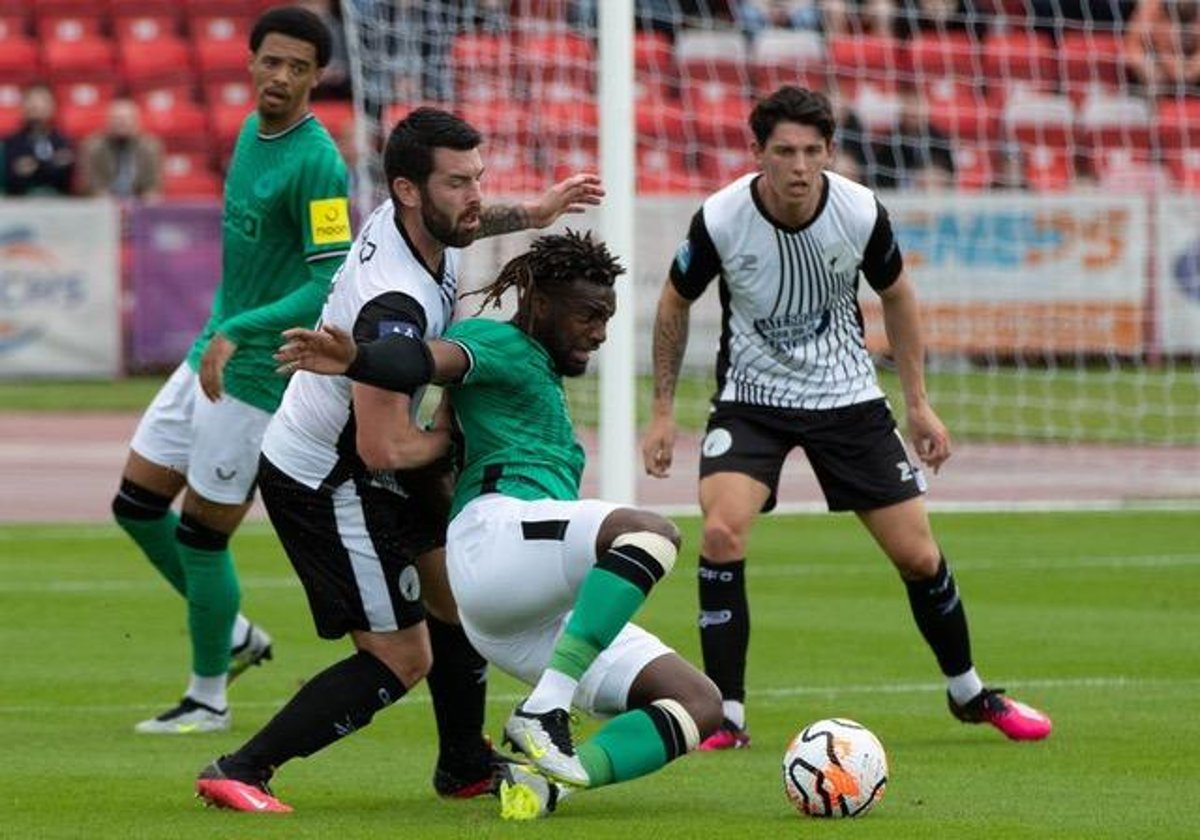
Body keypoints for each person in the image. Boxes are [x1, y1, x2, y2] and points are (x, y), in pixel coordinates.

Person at [193, 110, 607, 812]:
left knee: (456, 595)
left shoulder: (410, 218)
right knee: (400, 656)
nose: (474, 195)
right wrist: (461, 442)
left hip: (363, 465)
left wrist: (532, 212)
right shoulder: (396, 301)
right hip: (327, 476)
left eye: (478, 177)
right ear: (410, 191)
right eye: (458, 183)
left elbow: (467, 221)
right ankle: (242, 768)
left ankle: (464, 765)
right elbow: (381, 446)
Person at [639, 85, 1053, 751]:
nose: (799, 166)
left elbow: (898, 295)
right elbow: (673, 300)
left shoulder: (859, 211)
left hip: (848, 398)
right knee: (720, 531)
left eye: (811, 151)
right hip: (753, 400)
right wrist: (661, 412)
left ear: (830, 152)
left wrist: (918, 403)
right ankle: (728, 716)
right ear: (758, 155)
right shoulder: (721, 219)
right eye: (783, 152)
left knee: (919, 555)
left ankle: (969, 691)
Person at [268, 230, 724, 820]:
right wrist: (356, 358)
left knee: (698, 702)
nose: (600, 332)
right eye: (589, 315)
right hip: (496, 539)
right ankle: (545, 709)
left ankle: (547, 785)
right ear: (537, 303)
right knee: (650, 534)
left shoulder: (540, 379)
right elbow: (427, 357)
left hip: (532, 611)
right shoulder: (497, 341)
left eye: (607, 318)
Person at [112, 6, 352, 735]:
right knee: (135, 506)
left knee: (201, 538)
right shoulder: (250, 132)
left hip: (259, 378)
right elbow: (246, 263)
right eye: (271, 61)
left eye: (298, 67)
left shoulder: (320, 163)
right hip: (211, 355)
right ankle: (239, 633)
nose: (280, 77)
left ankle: (208, 698)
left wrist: (240, 331)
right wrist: (217, 329)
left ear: (317, 77)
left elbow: (327, 283)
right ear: (249, 61)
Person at [79, 98, 164, 199]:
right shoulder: (93, 146)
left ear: (137, 122)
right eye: (117, 119)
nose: (121, 123)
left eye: (127, 119)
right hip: (103, 203)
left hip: (139, 202)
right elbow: (93, 186)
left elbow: (153, 185)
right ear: (107, 121)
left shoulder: (150, 147)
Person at [1, 83, 74, 196]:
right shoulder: (11, 144)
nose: (36, 106)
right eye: (31, 101)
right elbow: (10, 180)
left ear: (53, 106)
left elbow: (69, 180)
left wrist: (37, 167)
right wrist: (51, 165)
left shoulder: (65, 143)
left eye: (43, 101)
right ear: (23, 107)